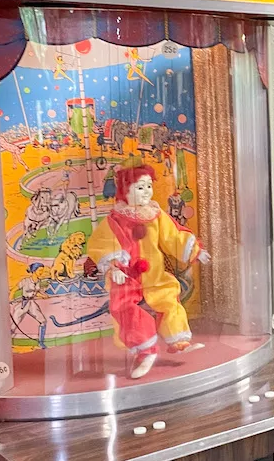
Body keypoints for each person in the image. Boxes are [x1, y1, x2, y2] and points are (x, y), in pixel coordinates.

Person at [87, 159, 209, 380]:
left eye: (149, 186)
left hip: (154, 272)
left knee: (169, 298)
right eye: (140, 187)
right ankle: (145, 351)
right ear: (126, 190)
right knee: (125, 308)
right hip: (127, 276)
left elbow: (172, 235)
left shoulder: (155, 214)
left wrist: (194, 250)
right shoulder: (115, 219)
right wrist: (113, 265)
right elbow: (103, 242)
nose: (146, 192)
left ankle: (178, 340)